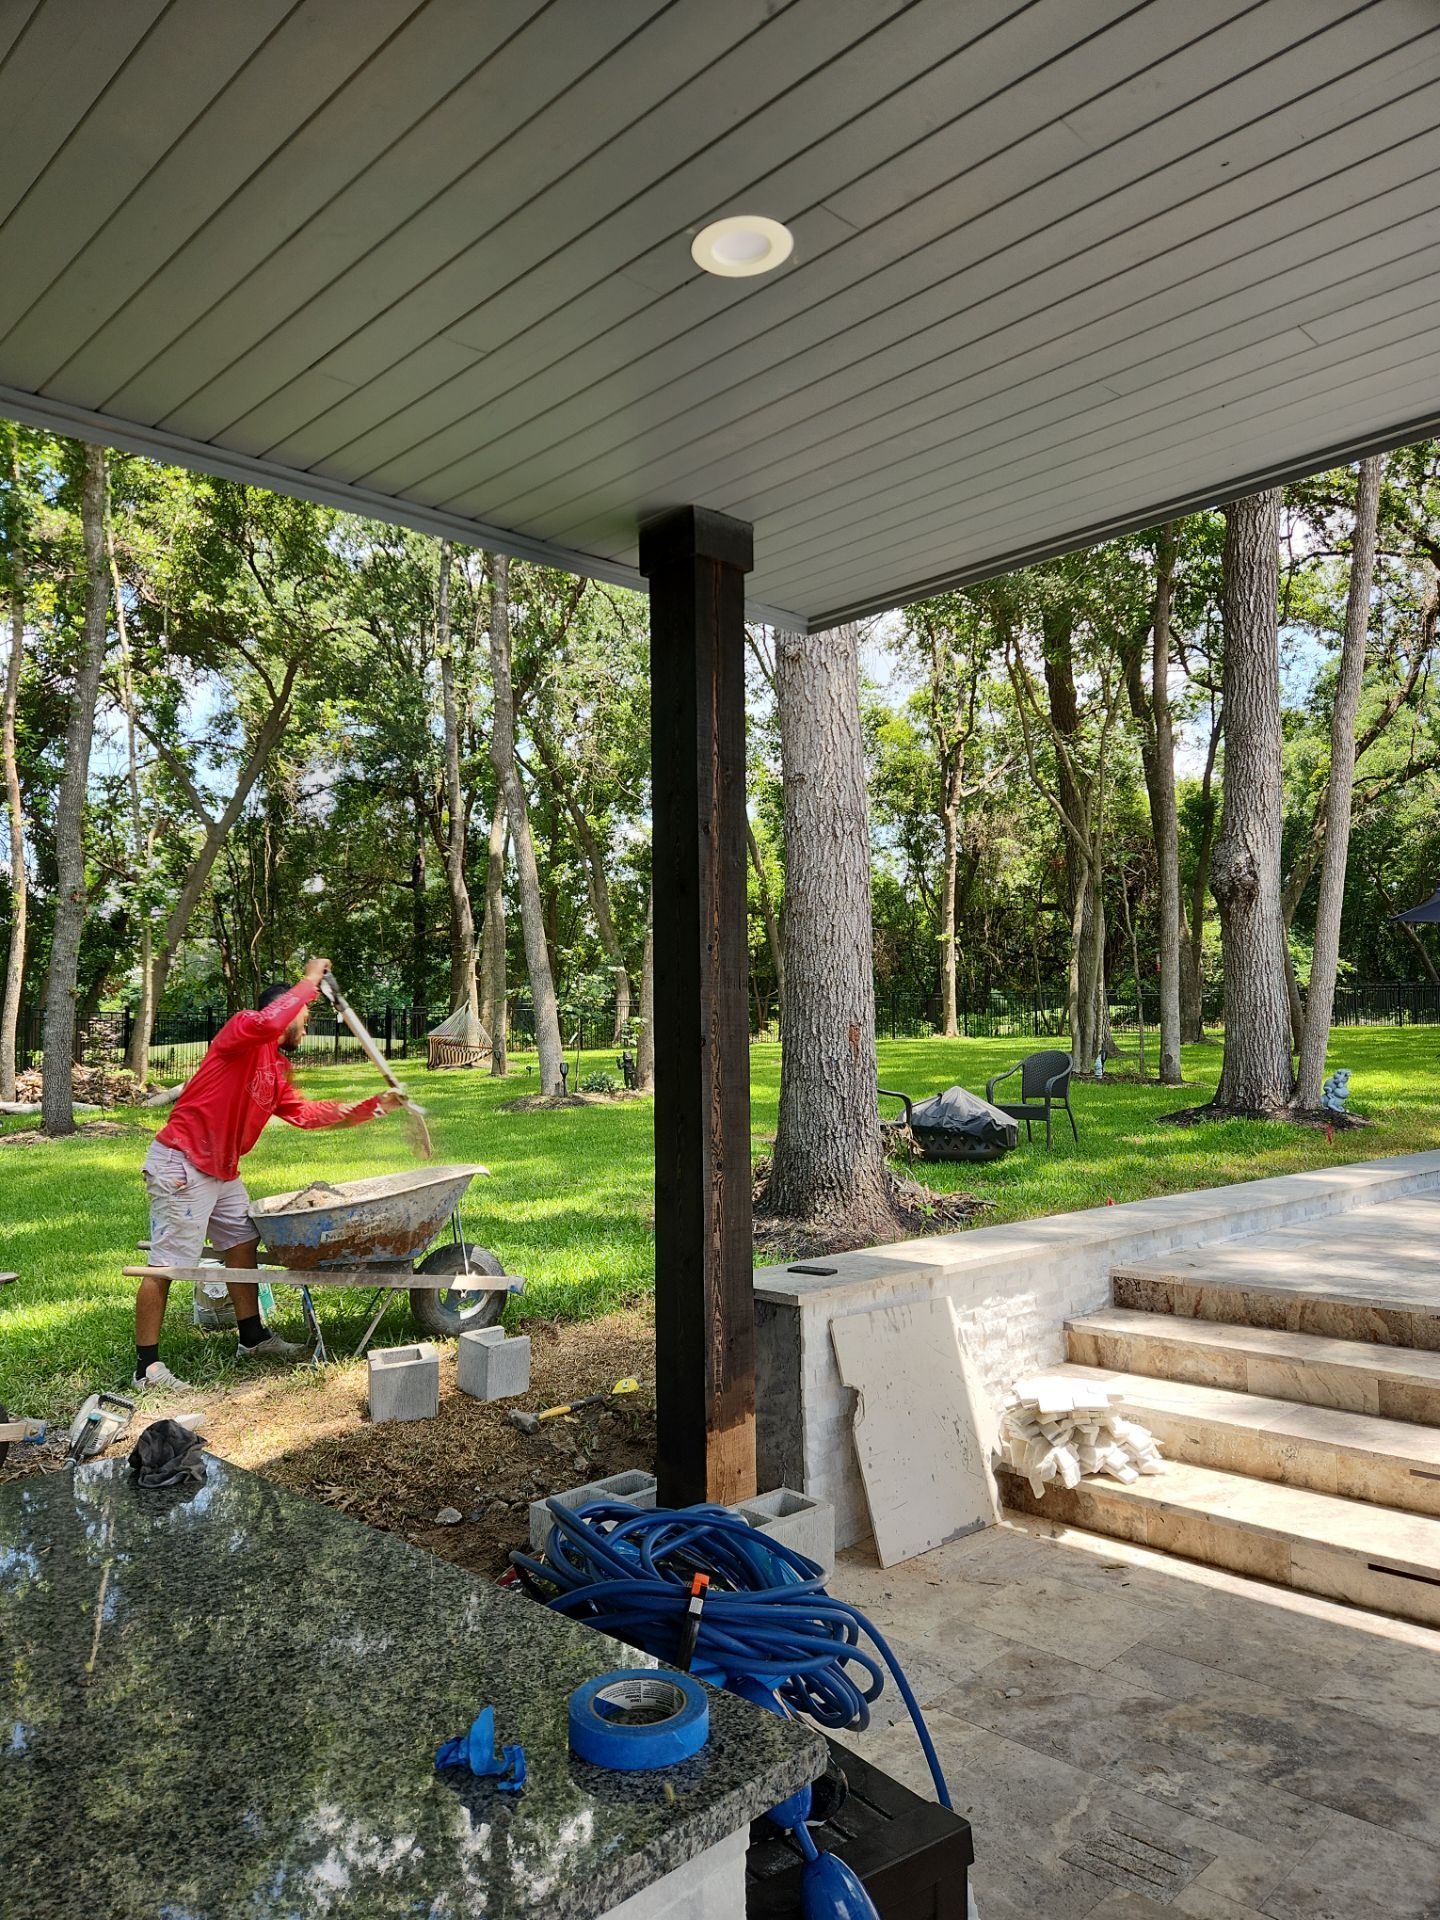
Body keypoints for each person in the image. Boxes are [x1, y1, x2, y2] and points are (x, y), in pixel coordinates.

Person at [134, 957, 402, 1390]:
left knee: (242, 1241)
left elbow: (306, 1114)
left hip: (221, 1169)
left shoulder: (275, 1067)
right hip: (182, 1162)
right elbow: (265, 1022)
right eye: (306, 1017)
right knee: (167, 1265)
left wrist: (374, 1105)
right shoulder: (242, 1032)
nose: (307, 1027)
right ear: (288, 1010)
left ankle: (253, 1338)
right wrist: (310, 982)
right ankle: (146, 1369)